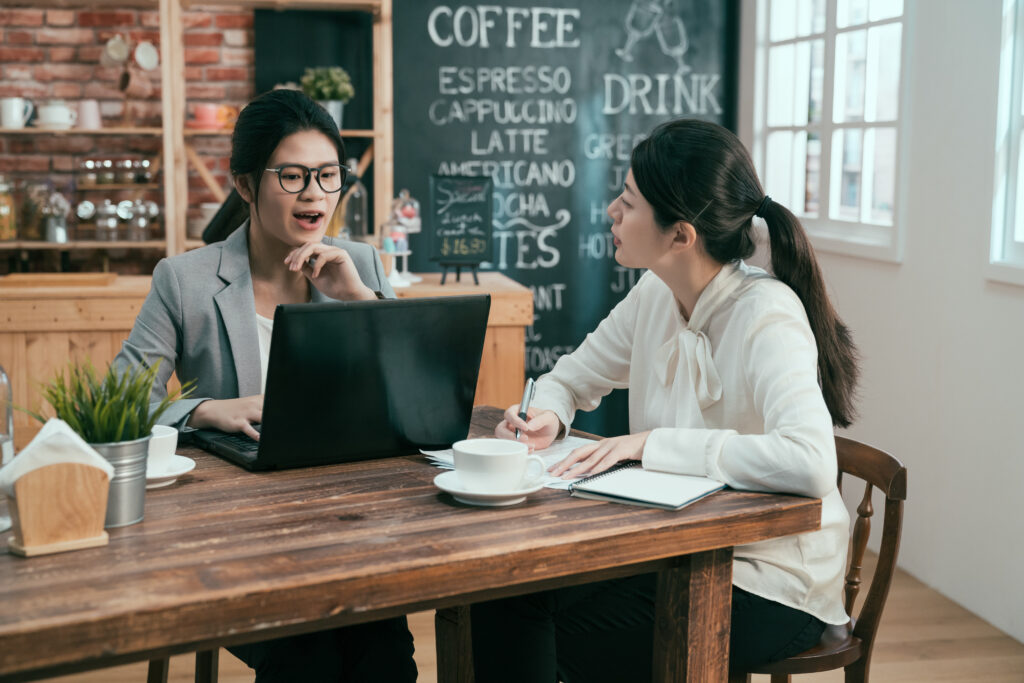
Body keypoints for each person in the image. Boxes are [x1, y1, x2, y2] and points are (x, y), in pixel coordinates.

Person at [471, 118, 859, 683]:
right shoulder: (656, 292)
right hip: (675, 550)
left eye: (628, 202)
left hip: (770, 581)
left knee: (536, 630)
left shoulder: (766, 315)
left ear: (681, 235)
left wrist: (654, 444)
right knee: (502, 594)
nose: (612, 212)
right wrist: (548, 414)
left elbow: (812, 461)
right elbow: (571, 376)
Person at [113, 89, 416, 683]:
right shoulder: (186, 281)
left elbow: (415, 386)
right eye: (293, 176)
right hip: (244, 534)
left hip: (353, 522)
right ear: (246, 186)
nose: (314, 195)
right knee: (311, 647)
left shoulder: (362, 264)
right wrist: (205, 411)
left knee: (380, 646)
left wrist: (357, 299)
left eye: (328, 176)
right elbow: (119, 403)